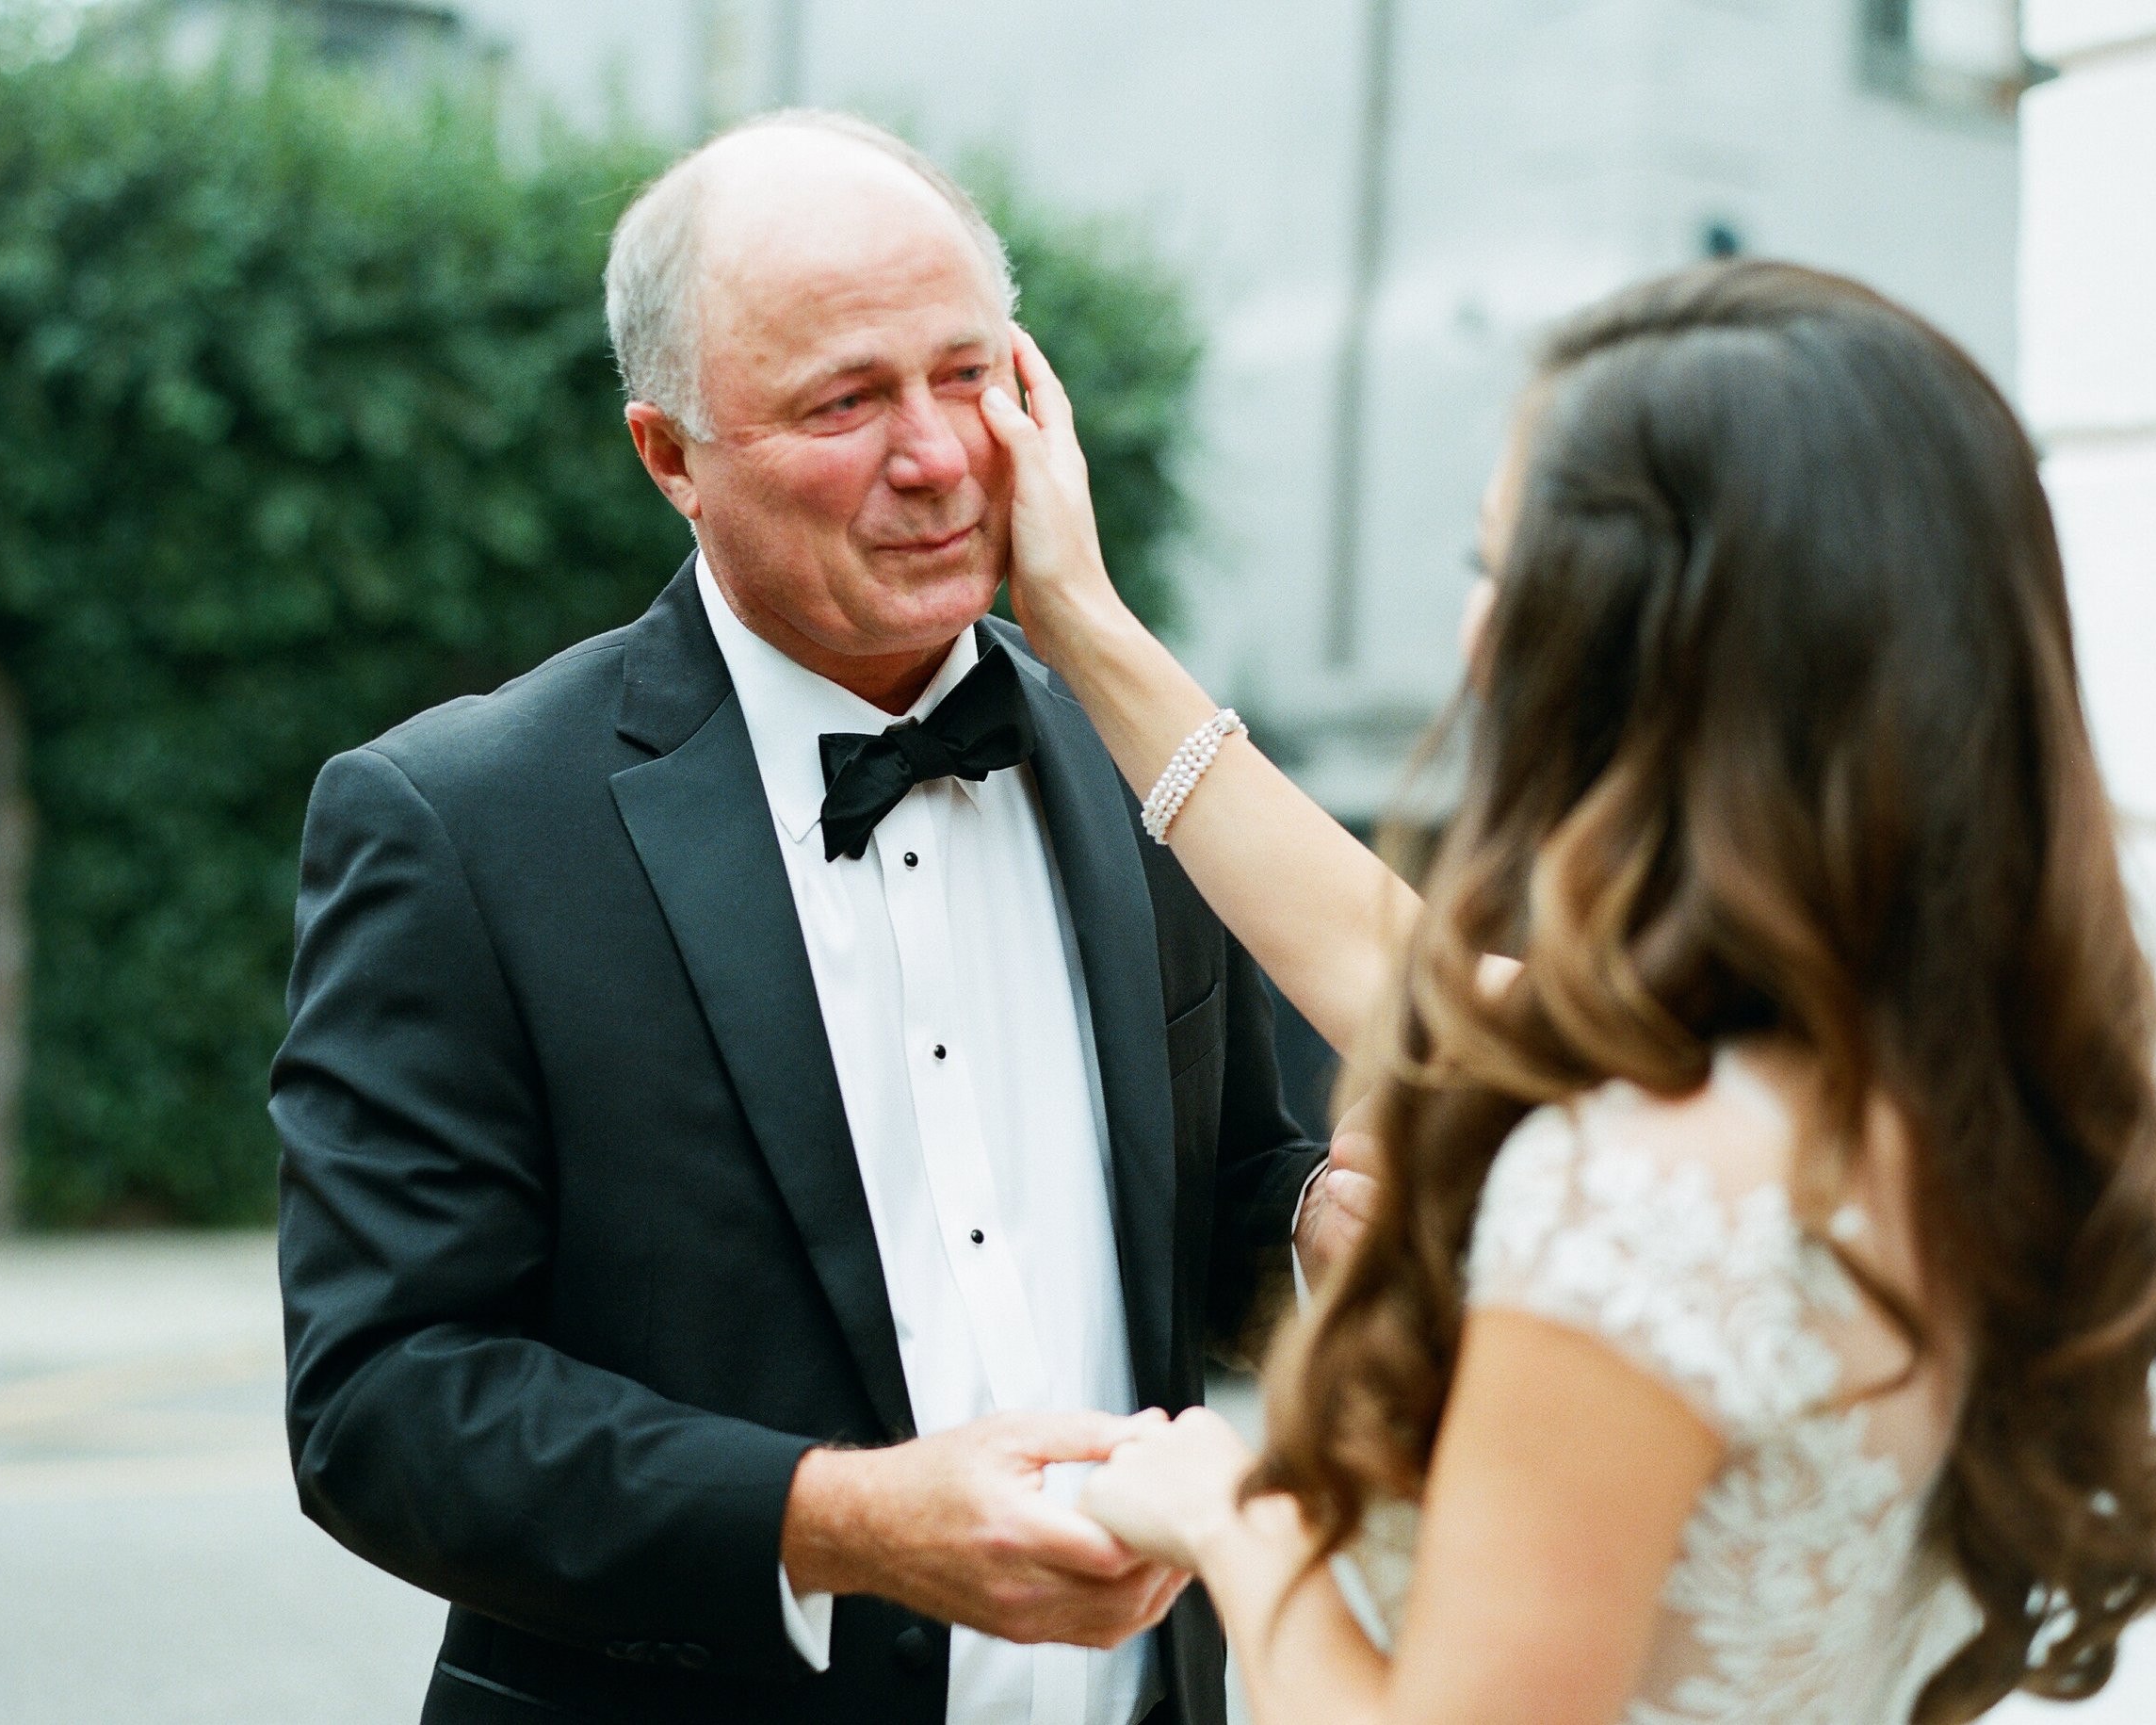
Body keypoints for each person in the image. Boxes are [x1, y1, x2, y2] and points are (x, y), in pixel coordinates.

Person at [977, 261, 2156, 1724]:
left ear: (1629, 641)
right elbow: (1380, 961)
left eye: (1496, 569)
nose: (1476, 629)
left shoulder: (1626, 1188)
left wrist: (1235, 1515)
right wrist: (1079, 621)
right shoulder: (1936, 1080)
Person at [270, 112, 1370, 1725]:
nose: (934, 456)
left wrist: (1310, 1238)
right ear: (670, 457)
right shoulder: (459, 823)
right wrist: (833, 1522)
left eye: (967, 374)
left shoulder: (1157, 769)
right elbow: (383, 1403)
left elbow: (1219, 1201)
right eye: (844, 402)